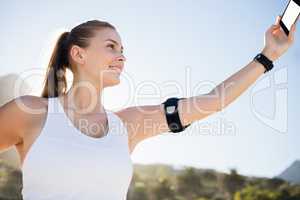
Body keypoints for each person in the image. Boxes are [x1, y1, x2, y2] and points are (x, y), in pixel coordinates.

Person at [0, 15, 296, 199]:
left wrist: (267, 56)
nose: (121, 56)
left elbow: (212, 103)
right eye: (111, 47)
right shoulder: (31, 112)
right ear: (78, 53)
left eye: (123, 50)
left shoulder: (127, 125)